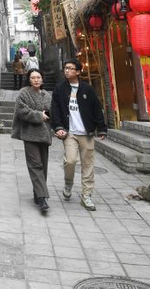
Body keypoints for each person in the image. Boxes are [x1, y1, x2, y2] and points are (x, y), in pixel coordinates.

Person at [50, 59, 107, 211]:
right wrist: (58, 127)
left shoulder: (87, 89)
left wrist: (101, 128)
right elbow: (55, 109)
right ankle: (68, 182)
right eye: (65, 68)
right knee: (70, 160)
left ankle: (86, 195)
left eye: (70, 68)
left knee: (88, 164)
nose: (67, 70)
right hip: (70, 133)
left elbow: (96, 108)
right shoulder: (60, 89)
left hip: (86, 133)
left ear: (78, 71)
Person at [11, 68, 53, 211]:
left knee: (44, 166)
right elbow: (22, 111)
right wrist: (38, 115)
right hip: (30, 134)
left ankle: (37, 193)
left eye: (38, 77)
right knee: (35, 165)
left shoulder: (47, 95)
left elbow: (52, 111)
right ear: (29, 79)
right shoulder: (23, 93)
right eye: (33, 77)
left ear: (42, 79)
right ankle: (42, 198)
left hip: (44, 134)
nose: (36, 80)